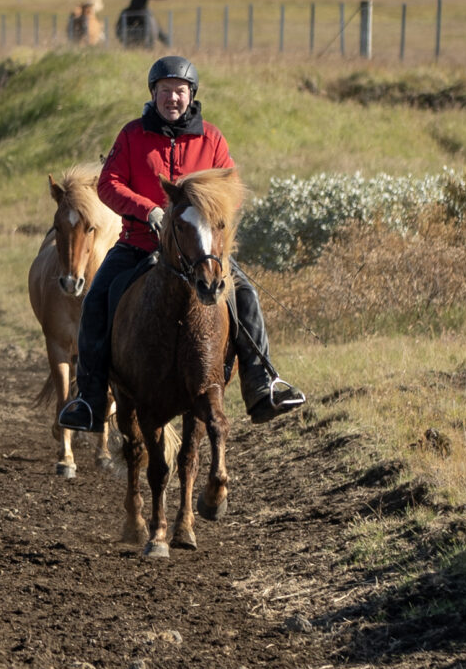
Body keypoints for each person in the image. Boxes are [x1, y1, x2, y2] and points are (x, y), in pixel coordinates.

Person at [57, 56, 305, 432]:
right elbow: (108, 184)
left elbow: (233, 190)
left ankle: (260, 386)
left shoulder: (212, 139)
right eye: (165, 90)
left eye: (180, 90)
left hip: (198, 250)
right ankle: (90, 400)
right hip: (140, 244)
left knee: (246, 296)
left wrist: (203, 213)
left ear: (191, 95)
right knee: (95, 301)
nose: (173, 97)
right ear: (153, 94)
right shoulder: (131, 135)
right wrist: (148, 210)